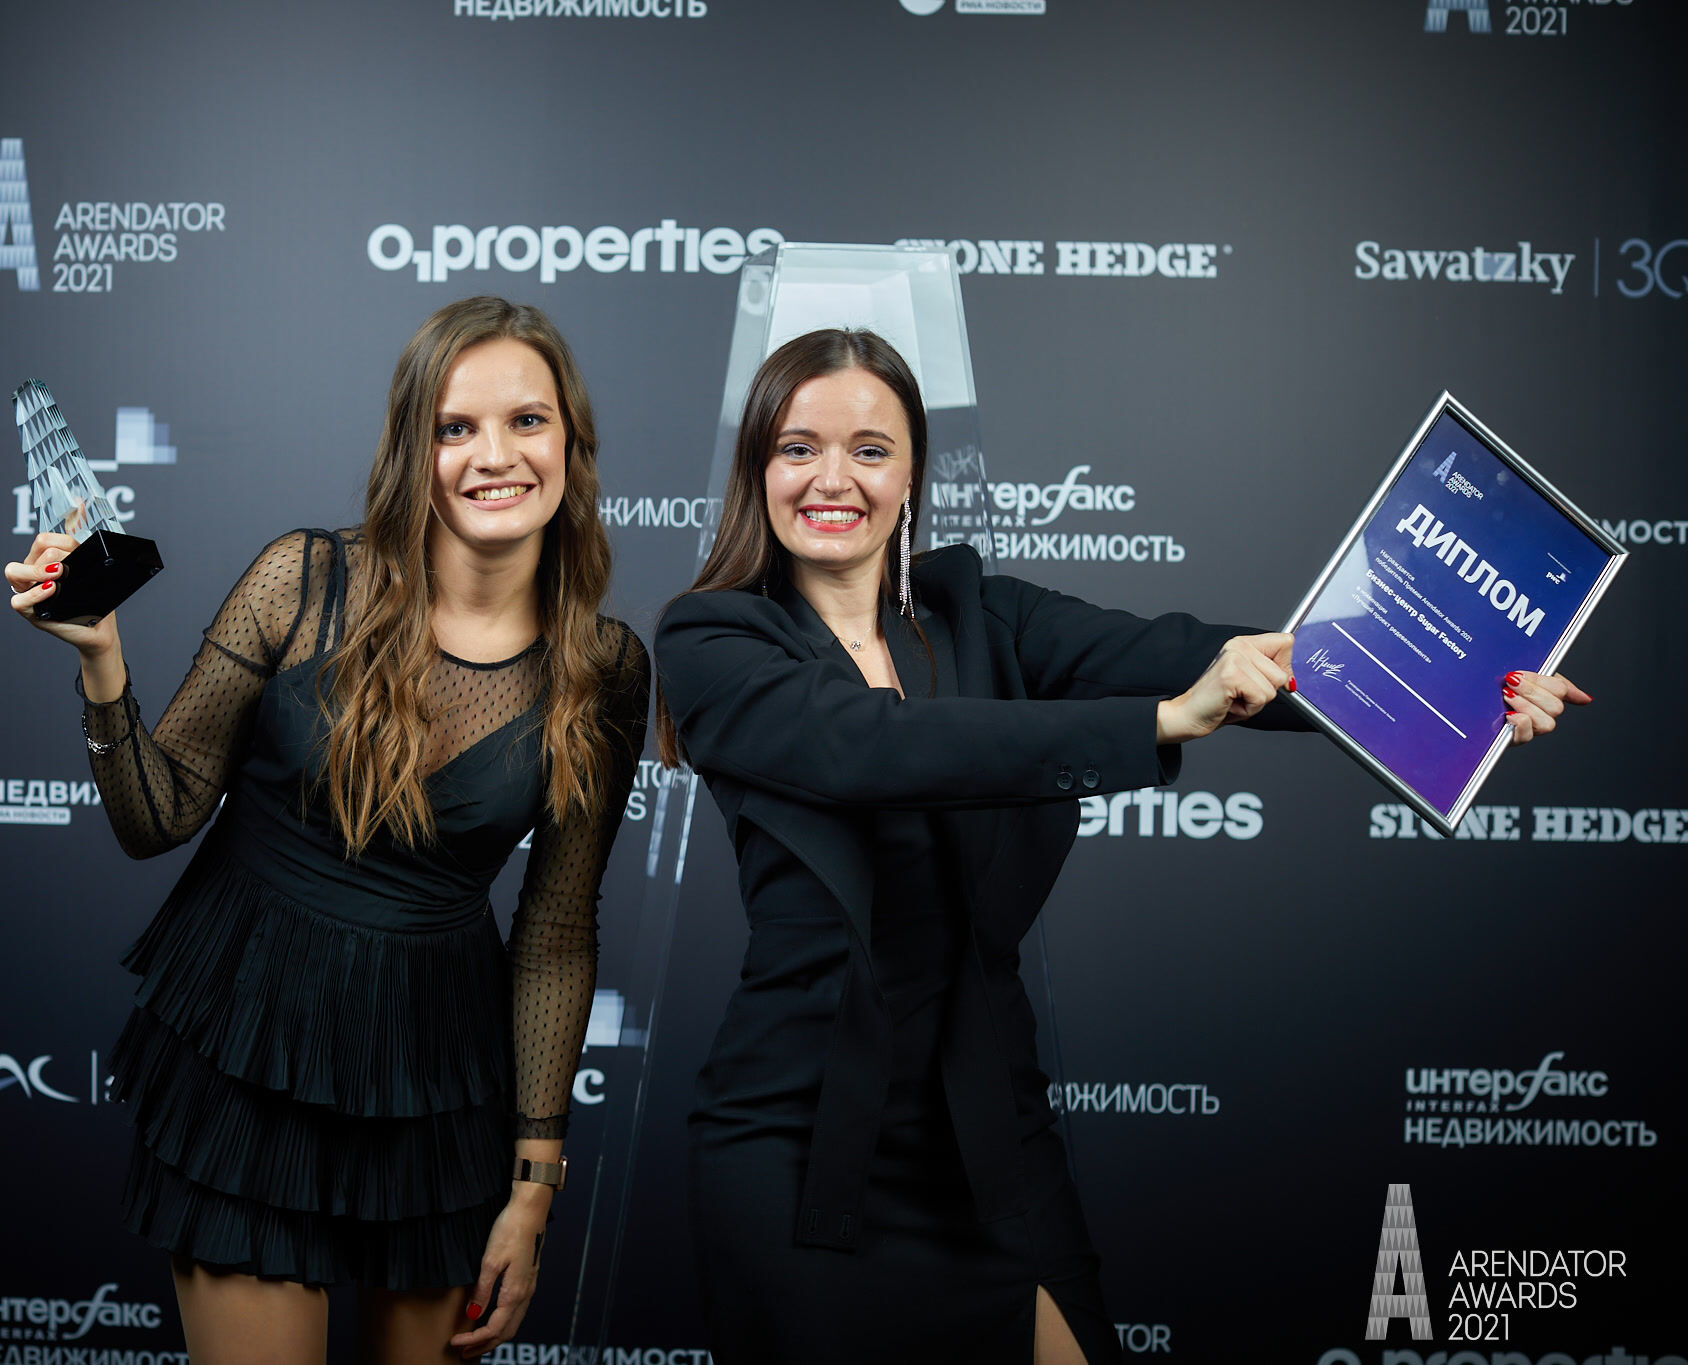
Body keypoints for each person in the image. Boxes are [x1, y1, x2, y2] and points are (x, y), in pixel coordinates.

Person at [651, 328, 1589, 1364]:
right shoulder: (711, 639)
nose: (833, 478)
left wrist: (1468, 692)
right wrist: (1157, 723)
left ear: (911, 473)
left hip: (987, 1133)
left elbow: (1192, 654)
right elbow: (876, 747)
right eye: (798, 447)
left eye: (869, 450)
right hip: (798, 1141)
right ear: (758, 468)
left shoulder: (978, 612)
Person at [4, 297, 651, 1363]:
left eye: (527, 421)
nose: (495, 455)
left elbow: (554, 931)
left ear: (571, 443)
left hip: (435, 1087)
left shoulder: (605, 669)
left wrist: (535, 1183)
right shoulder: (302, 582)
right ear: (412, 452)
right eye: (454, 428)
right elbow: (157, 816)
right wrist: (100, 661)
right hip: (249, 1052)